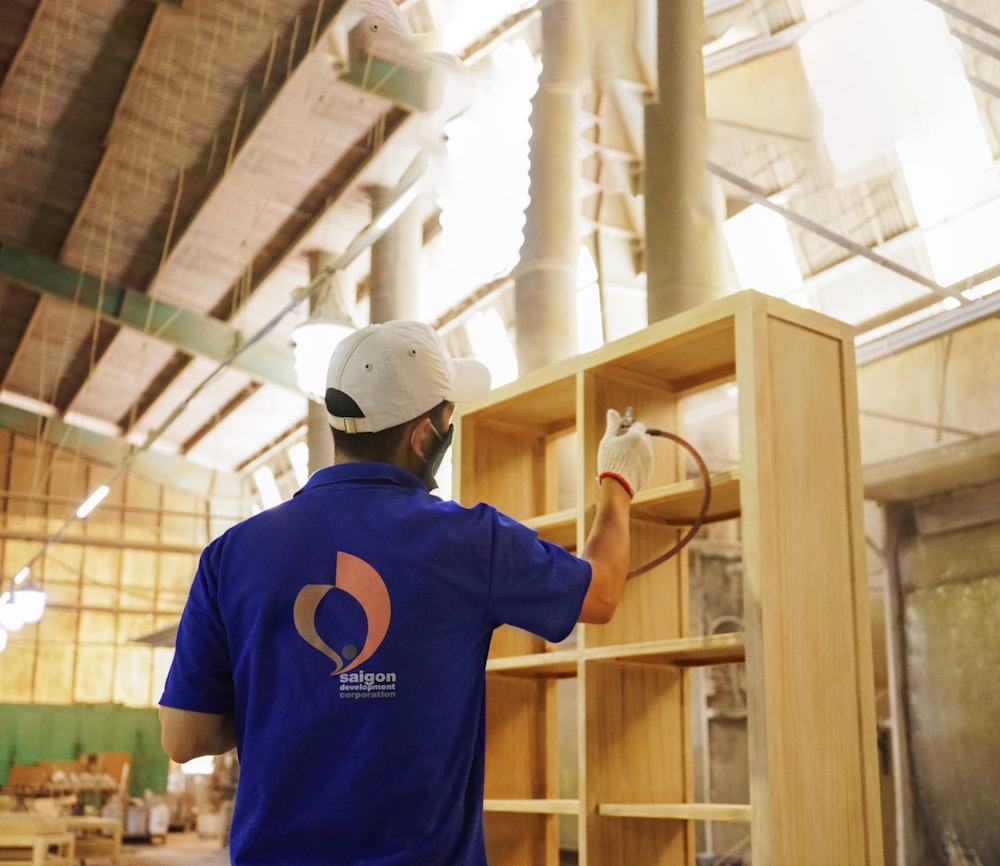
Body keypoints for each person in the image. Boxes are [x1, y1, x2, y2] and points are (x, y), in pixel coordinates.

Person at [159, 319, 655, 866]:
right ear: (423, 436)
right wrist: (618, 483)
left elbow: (184, 737)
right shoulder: (470, 542)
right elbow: (601, 593)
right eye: (448, 417)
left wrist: (292, 701)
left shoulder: (231, 554)